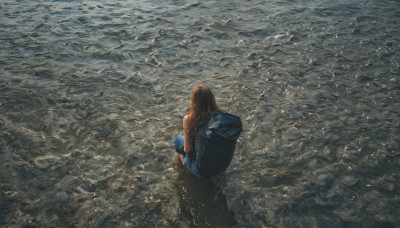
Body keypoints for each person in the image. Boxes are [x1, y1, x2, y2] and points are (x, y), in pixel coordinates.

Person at [174, 84, 242, 179]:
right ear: (212, 99)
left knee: (177, 140)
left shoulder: (189, 119)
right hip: (223, 166)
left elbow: (187, 150)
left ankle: (182, 168)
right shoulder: (222, 118)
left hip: (201, 172)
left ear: (194, 101)